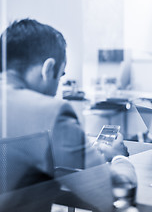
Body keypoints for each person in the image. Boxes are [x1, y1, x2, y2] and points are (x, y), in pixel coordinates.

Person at [0, 19, 136, 211]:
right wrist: (120, 158)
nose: (57, 89)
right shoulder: (50, 112)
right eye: (60, 75)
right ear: (48, 69)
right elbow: (113, 195)